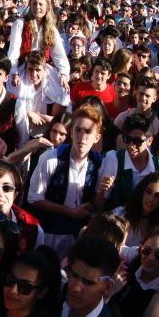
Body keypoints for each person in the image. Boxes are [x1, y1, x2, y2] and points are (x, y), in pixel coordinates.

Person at [27, 104, 105, 256]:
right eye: (78, 130)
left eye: (88, 132)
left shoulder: (100, 163)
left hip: (80, 237)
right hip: (50, 233)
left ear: (97, 137)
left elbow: (97, 206)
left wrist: (103, 191)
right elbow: (34, 199)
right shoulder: (51, 158)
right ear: (71, 132)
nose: (82, 137)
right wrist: (71, 212)